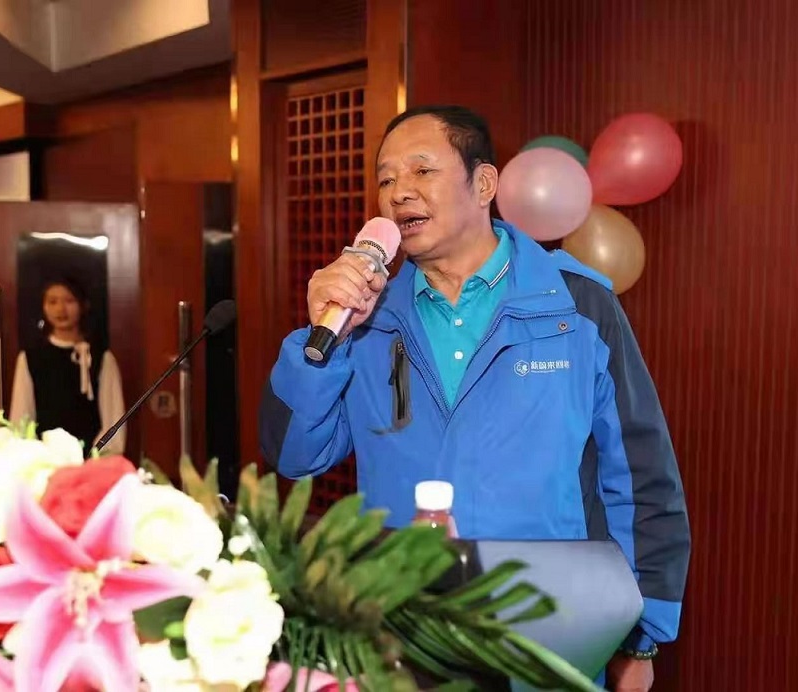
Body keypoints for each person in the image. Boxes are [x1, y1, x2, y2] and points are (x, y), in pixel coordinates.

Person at [261, 105, 690, 691]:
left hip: (548, 632)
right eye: (386, 179)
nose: (399, 192)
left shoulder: (578, 306)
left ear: (483, 183)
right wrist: (323, 335)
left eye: (421, 170)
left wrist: (643, 634)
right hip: (399, 634)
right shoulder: (366, 319)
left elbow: (640, 475)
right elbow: (294, 454)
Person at [9, 278, 126, 454]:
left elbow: (113, 419)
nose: (60, 309)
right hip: (44, 460)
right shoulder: (30, 358)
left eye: (69, 301)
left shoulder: (101, 358)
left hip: (92, 460)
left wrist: (96, 460)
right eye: (52, 302)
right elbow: (21, 417)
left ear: (83, 305)